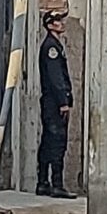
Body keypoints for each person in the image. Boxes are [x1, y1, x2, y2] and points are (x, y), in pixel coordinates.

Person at [37, 10, 76, 199]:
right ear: (50, 24)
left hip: (51, 102)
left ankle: (44, 183)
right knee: (57, 142)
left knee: (49, 141)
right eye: (58, 21)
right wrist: (63, 102)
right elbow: (55, 78)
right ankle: (55, 184)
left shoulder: (54, 45)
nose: (62, 23)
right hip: (54, 103)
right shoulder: (51, 47)